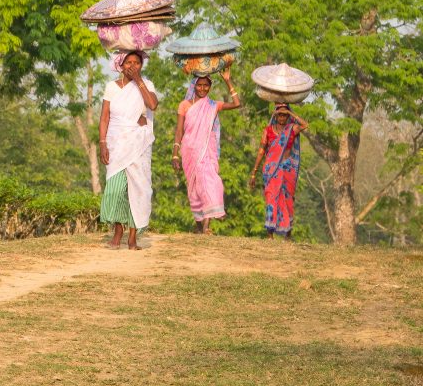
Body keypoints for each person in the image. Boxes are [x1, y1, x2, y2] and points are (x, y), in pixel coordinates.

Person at [99, 50, 159, 250]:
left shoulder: (147, 84)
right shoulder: (111, 87)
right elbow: (105, 117)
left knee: (139, 189)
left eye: (137, 63)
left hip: (138, 142)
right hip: (116, 143)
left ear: (141, 66)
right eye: (128, 62)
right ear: (120, 64)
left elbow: (152, 104)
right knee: (115, 190)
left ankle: (132, 238)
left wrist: (138, 80)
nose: (132, 66)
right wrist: (102, 143)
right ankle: (118, 231)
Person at [172, 70, 241, 234]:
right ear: (194, 86)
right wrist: (175, 153)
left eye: (206, 85)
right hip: (189, 150)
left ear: (210, 87)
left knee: (209, 180)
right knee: (195, 187)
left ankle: (207, 225)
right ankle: (199, 224)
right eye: (199, 85)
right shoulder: (184, 105)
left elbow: (237, 103)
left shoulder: (213, 105)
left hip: (207, 150)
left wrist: (228, 81)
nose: (202, 88)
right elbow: (179, 130)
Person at [249, 103, 308, 239]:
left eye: (284, 115)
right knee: (271, 199)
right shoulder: (268, 130)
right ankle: (270, 234)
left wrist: (291, 113)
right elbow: (261, 151)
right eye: (280, 114)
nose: (282, 117)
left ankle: (288, 234)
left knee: (288, 200)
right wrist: (254, 172)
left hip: (287, 170)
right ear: (275, 115)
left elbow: (305, 125)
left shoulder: (292, 129)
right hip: (271, 170)